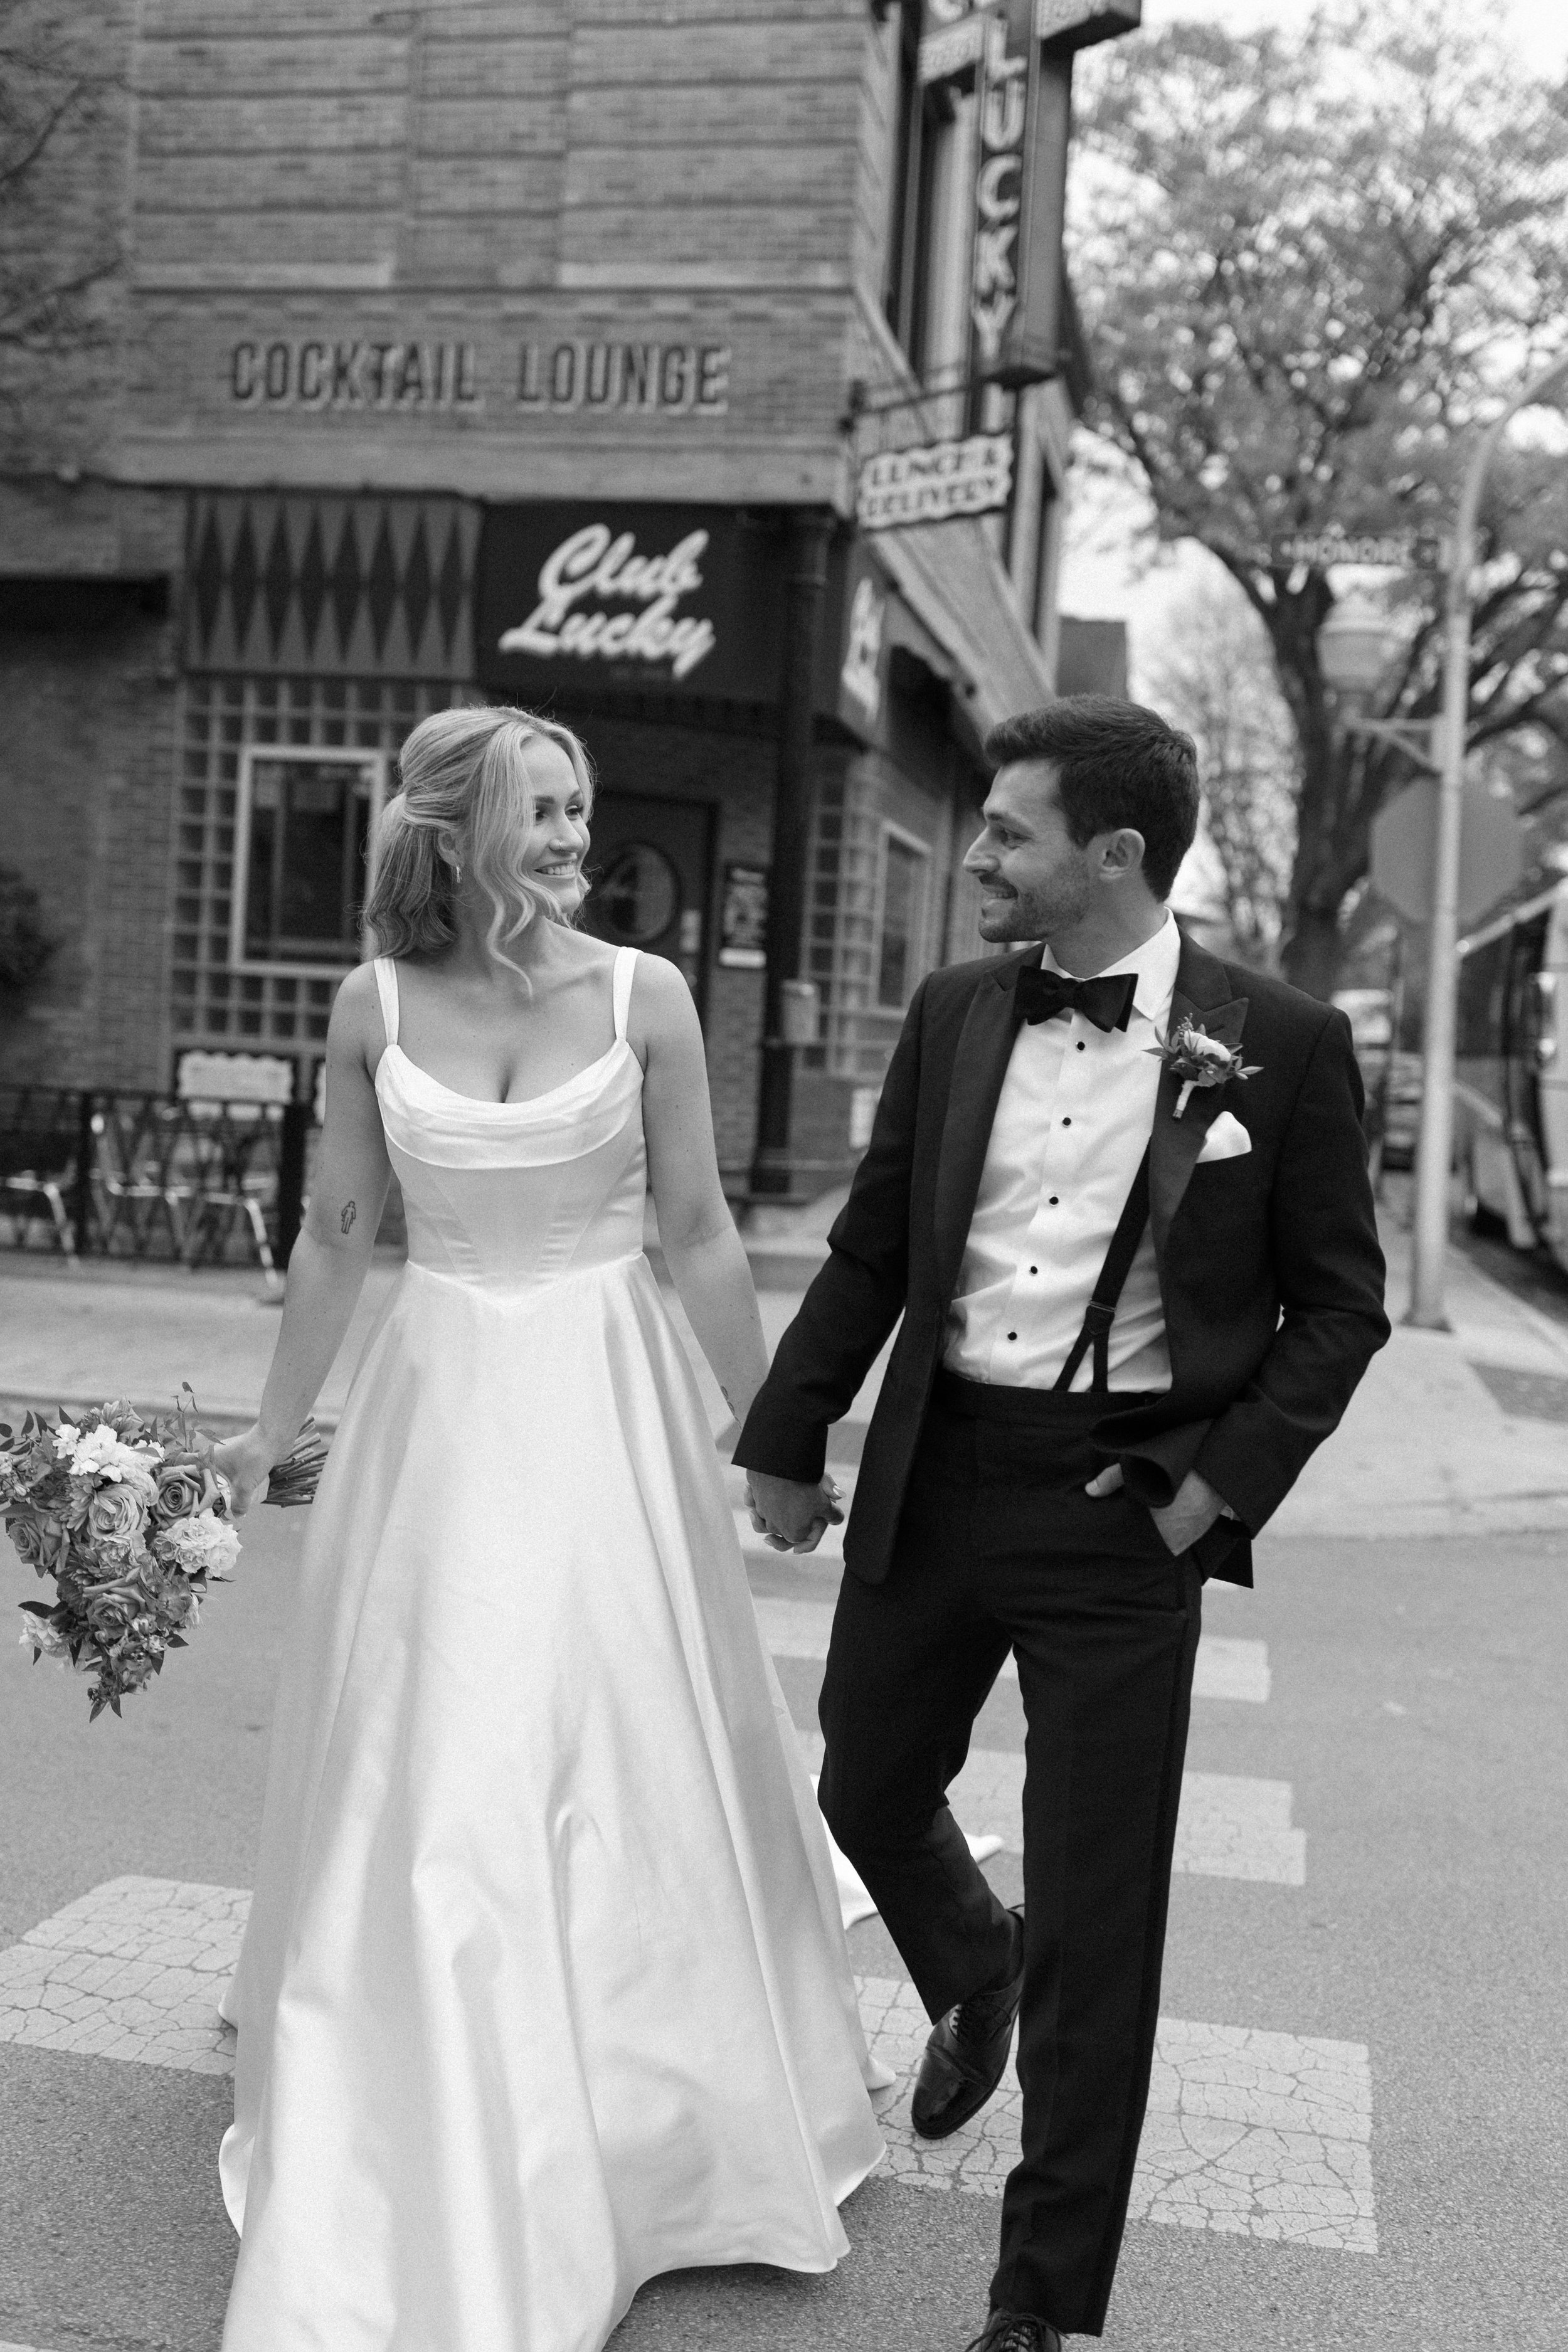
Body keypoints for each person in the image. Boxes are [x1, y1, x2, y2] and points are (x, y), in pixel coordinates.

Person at [213, 706, 886, 2352]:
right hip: (435, 1406)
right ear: (455, 832)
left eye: (581, 805)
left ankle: (647, 2106)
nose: (577, 835)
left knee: (609, 1730)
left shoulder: (647, 996)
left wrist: (776, 1439)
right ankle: (443, 2084)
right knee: (441, 1741)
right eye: (544, 810)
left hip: (604, 1400)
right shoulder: (369, 1006)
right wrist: (268, 1432)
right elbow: (337, 1235)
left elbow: (699, 1233)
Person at [737, 696, 1390, 2352]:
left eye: (1005, 832)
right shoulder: (957, 1008)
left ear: (1112, 854)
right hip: (941, 1465)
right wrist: (790, 1432)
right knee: (864, 1783)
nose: (975, 856)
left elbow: (1339, 1307)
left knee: (1101, 1925)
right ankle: (975, 1965)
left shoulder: (1281, 1040)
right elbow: (875, 1242)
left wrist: (1209, 1491)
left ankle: (1035, 2303)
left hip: (1122, 1507)